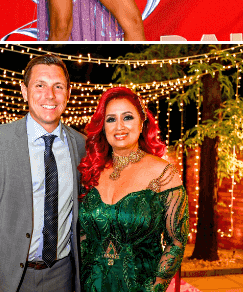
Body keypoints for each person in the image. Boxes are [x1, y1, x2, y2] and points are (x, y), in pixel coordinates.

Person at [0, 54, 85, 292]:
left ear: (68, 93)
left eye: (58, 87)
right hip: (3, 273)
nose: (50, 95)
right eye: (40, 86)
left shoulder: (81, 145)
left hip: (62, 274)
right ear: (24, 91)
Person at [77, 87, 188, 292]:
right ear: (103, 127)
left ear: (142, 122)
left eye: (127, 117)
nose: (119, 126)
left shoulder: (163, 173)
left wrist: (155, 288)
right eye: (111, 119)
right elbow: (84, 237)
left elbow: (177, 242)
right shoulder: (92, 171)